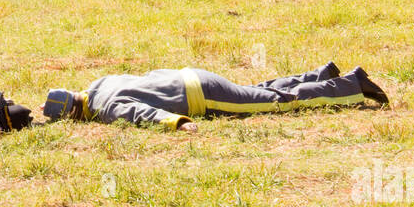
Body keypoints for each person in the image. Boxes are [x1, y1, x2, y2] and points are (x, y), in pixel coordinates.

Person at [43, 61, 388, 130]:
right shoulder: (99, 83)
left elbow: (140, 114)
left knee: (276, 105)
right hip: (193, 75)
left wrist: (177, 123)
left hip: (199, 95)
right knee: (256, 91)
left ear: (73, 115)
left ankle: (353, 85)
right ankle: (319, 75)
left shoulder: (105, 107)